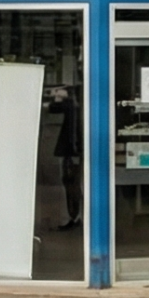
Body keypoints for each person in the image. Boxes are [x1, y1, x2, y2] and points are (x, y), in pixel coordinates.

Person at [52, 84, 82, 229]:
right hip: (76, 149)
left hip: (72, 149)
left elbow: (54, 109)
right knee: (73, 183)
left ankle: (74, 216)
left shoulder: (72, 106)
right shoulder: (80, 105)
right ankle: (76, 216)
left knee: (71, 183)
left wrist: (58, 97)